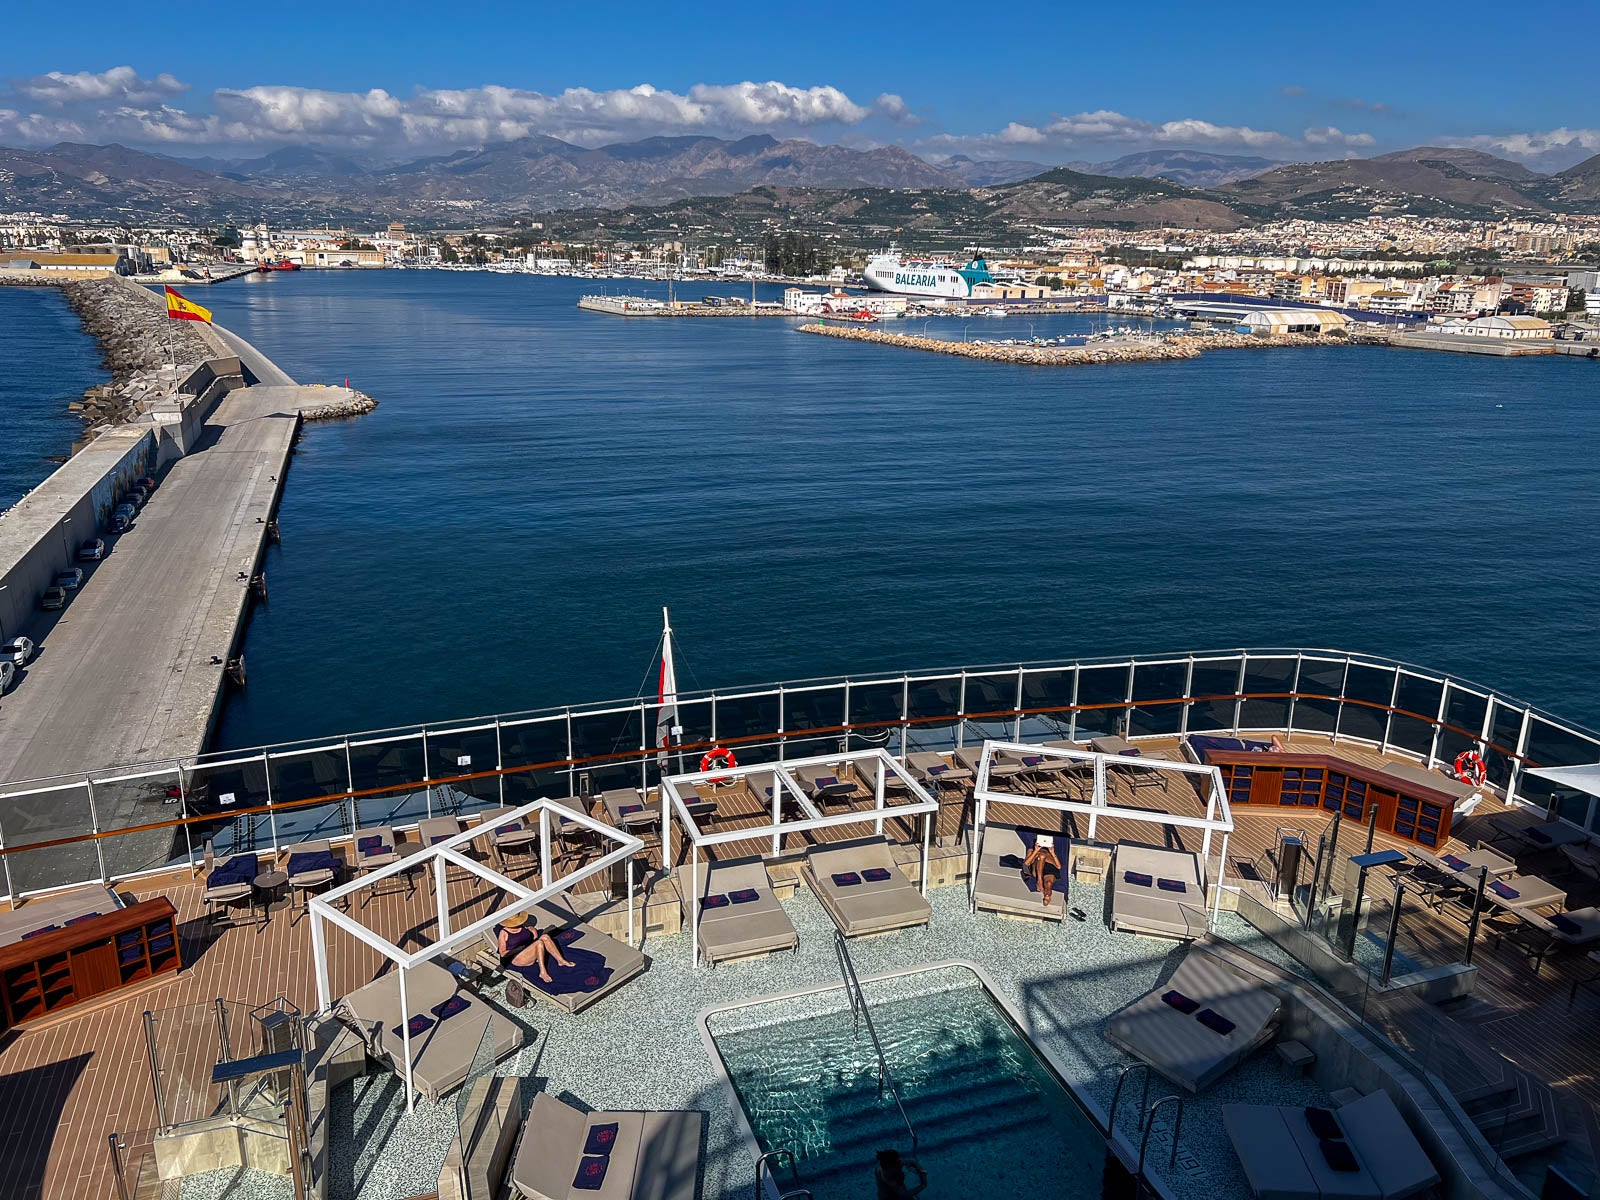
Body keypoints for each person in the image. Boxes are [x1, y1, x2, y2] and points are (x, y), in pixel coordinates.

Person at [495, 910, 574, 984]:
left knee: (545, 937)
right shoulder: (504, 932)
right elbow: (503, 953)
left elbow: (532, 941)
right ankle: (542, 972)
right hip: (517, 958)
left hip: (527, 951)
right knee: (539, 943)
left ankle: (561, 961)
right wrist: (518, 949)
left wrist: (534, 933)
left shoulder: (523, 926)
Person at [1024, 833, 1062, 906]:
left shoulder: (1045, 851)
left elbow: (1026, 864)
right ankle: (1046, 894)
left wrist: (1051, 853)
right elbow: (1059, 867)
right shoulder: (1032, 850)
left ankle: (1040, 883)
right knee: (1048, 883)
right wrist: (1052, 853)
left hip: (1040, 868)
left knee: (1042, 856)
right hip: (1044, 866)